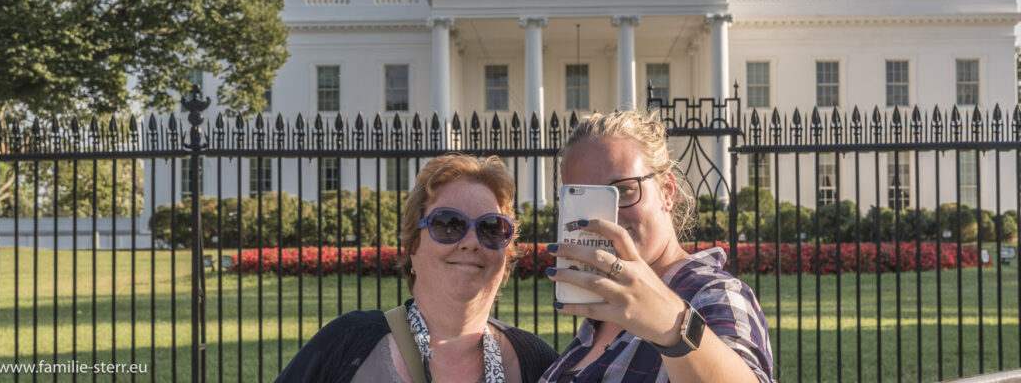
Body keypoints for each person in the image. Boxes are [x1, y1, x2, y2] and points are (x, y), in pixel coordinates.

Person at [276, 154, 558, 383]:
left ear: (506, 253)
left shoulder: (536, 363)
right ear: (413, 246)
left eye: (491, 228)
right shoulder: (346, 345)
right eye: (448, 224)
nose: (471, 242)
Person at [540, 110, 773, 383]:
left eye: (624, 190)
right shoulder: (597, 318)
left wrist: (670, 325)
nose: (605, 217)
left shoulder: (713, 295)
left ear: (667, 192)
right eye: (586, 197)